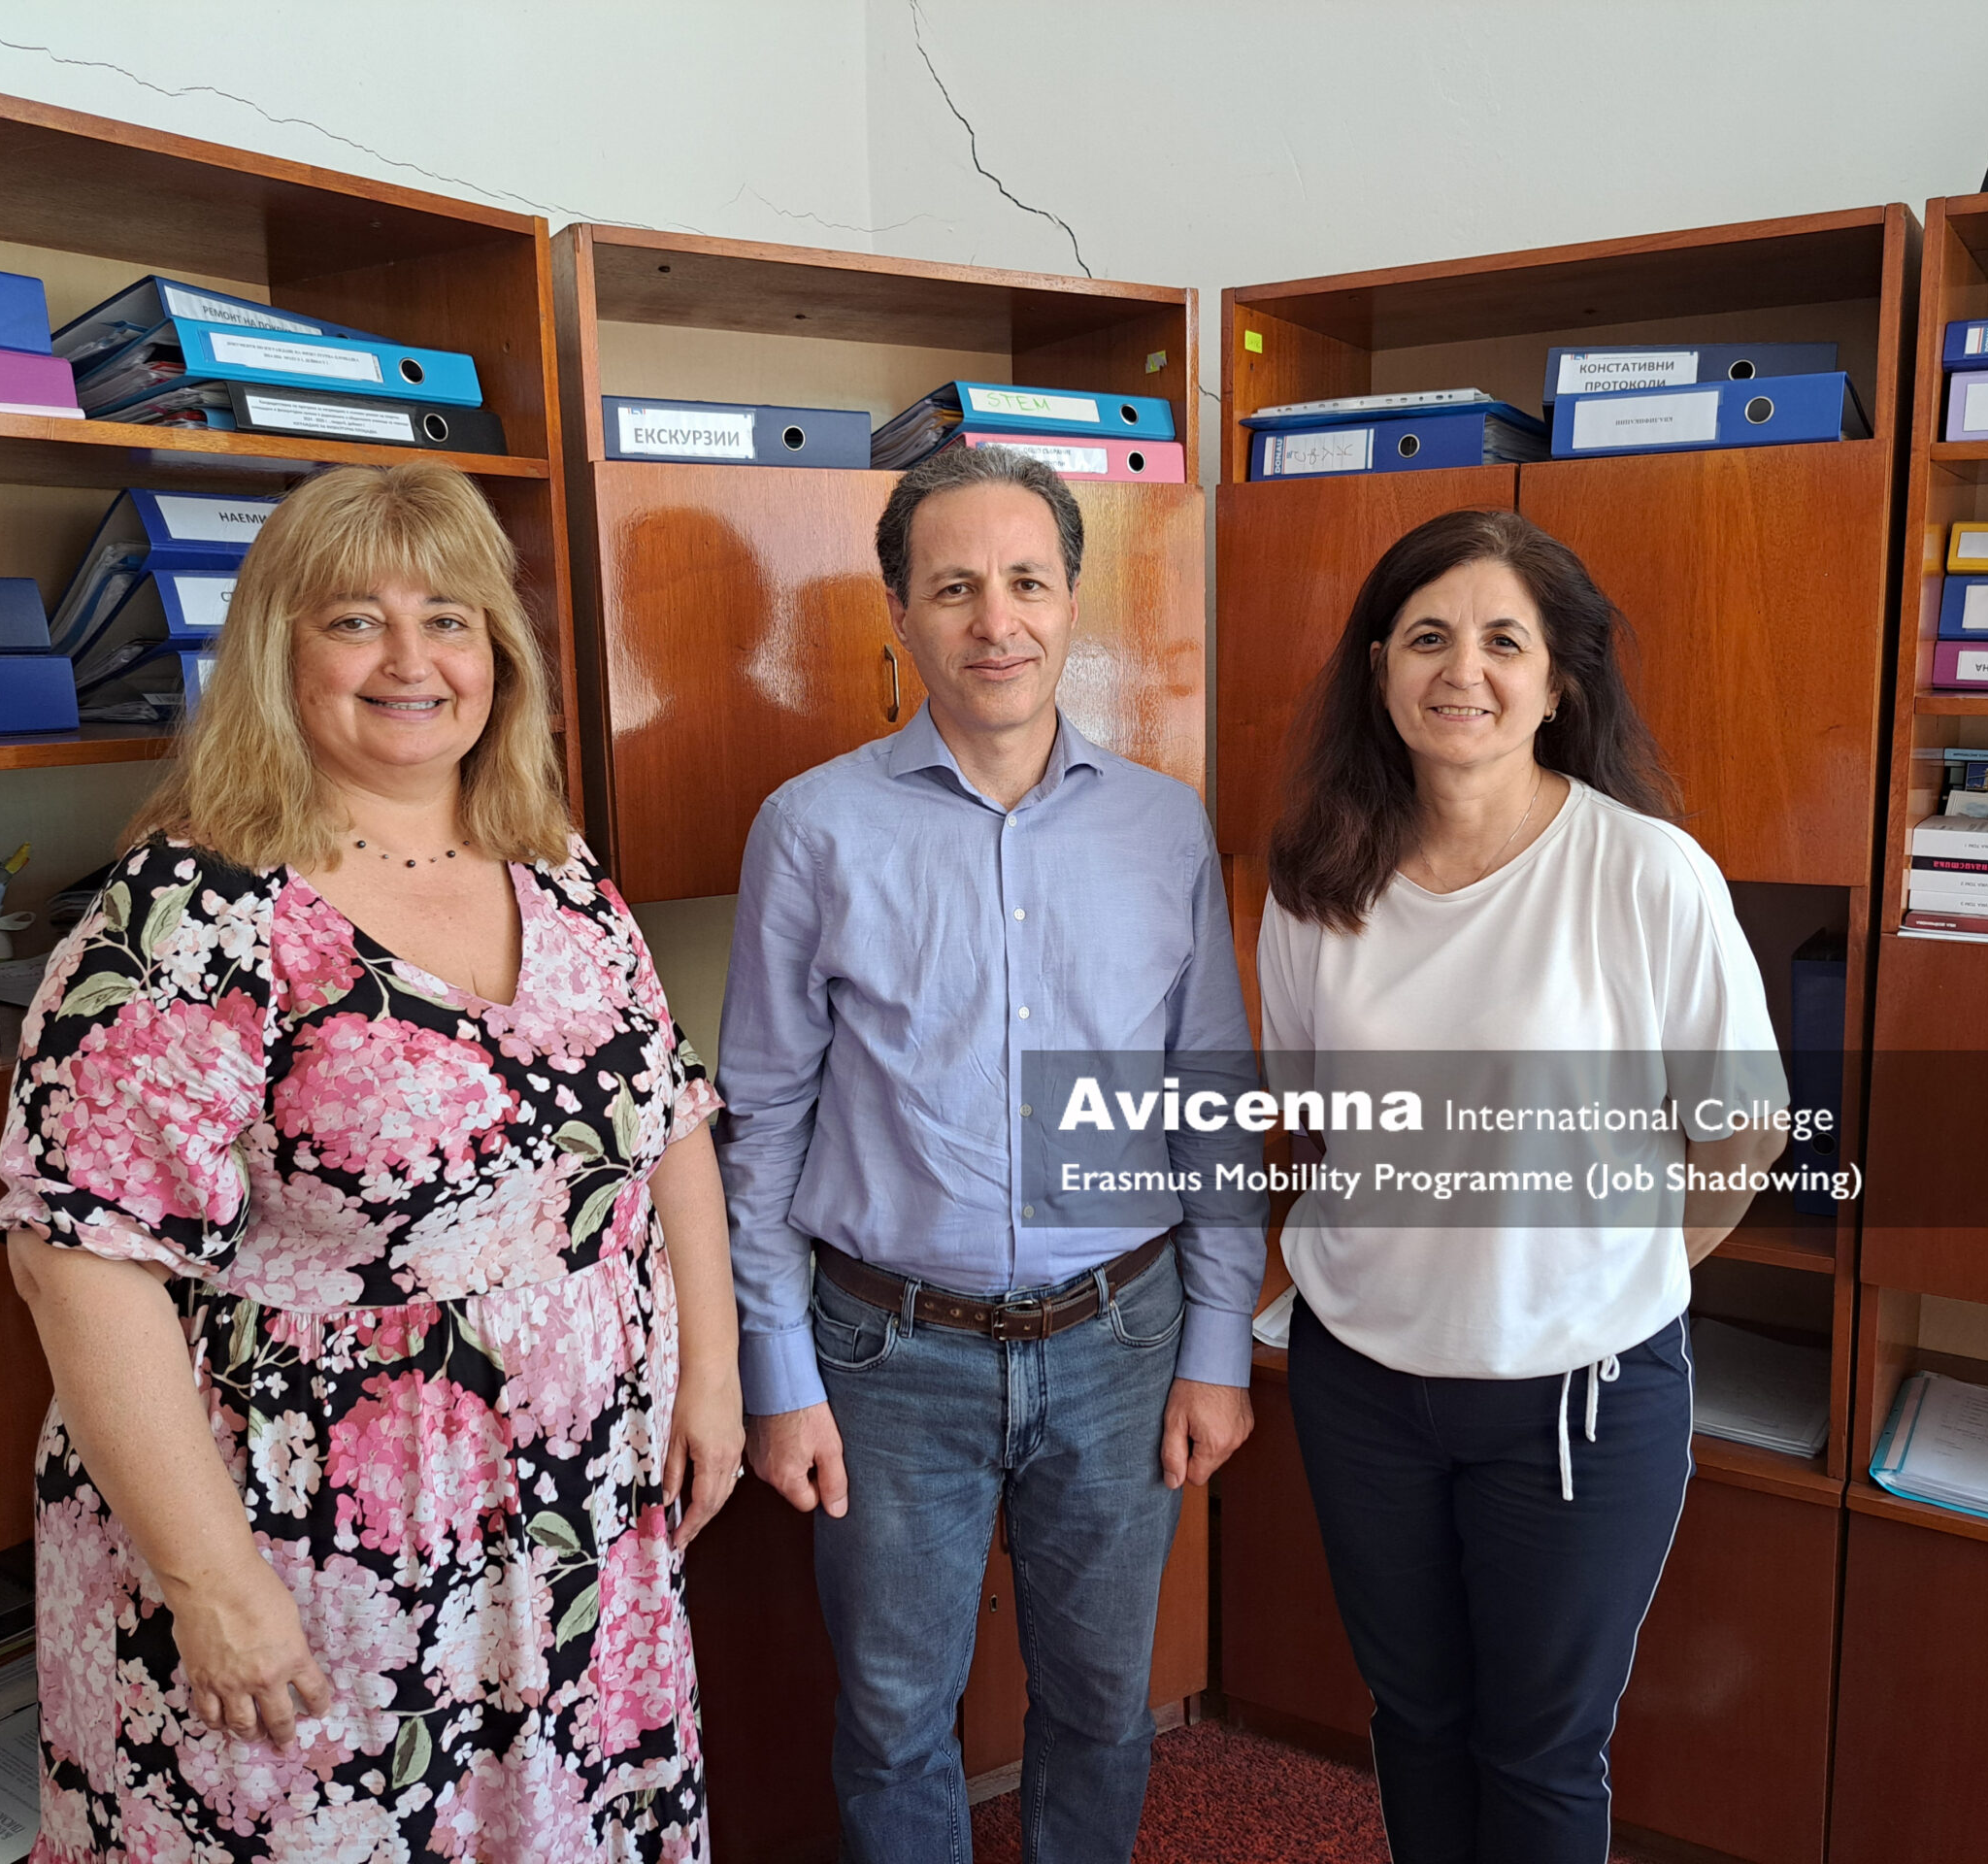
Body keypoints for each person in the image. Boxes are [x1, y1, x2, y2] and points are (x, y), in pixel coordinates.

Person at [0, 461, 741, 1863]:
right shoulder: (192, 908)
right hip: (313, 1543)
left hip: (574, 1510)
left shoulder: (554, 864)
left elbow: (669, 1123)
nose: (412, 660)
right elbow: (76, 1260)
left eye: (449, 618)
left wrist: (711, 1376)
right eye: (355, 621)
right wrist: (210, 1584)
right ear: (278, 657)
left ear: (497, 655)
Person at [716, 444, 1266, 1862]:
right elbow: (762, 1118)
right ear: (899, 613)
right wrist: (777, 1371)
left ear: (1073, 600)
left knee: (1101, 1705)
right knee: (895, 1719)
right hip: (887, 1355)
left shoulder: (1162, 824)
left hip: (1122, 1339)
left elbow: (1210, 1094)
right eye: (954, 587)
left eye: (1027, 581)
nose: (996, 620)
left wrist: (1217, 1342)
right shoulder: (813, 828)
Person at [1259, 509, 1790, 1864]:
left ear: (1558, 683)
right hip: (1359, 1381)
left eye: (1505, 641)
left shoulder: (1646, 873)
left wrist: (1603, 1278)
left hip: (1576, 1398)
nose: (1464, 670)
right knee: (1416, 1719)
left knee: (1541, 1751)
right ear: (1379, 669)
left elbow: (1743, 1132)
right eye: (1427, 637)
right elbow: (1308, 1119)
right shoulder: (1320, 875)